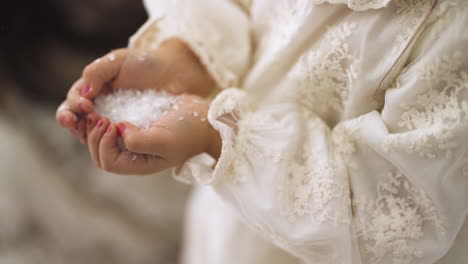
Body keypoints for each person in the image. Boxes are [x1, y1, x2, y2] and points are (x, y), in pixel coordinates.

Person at [56, 0, 468, 263]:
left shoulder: (453, 30)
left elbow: (399, 220)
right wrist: (183, 60)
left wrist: (219, 137)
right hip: (237, 215)